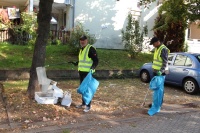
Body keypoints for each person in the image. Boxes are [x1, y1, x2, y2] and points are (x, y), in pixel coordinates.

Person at [75, 35, 99, 112]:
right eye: (81, 40)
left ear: (87, 40)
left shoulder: (91, 49)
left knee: (87, 89)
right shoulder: (82, 49)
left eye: (83, 40)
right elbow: (83, 60)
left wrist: (92, 68)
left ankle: (88, 106)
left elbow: (96, 60)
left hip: (88, 73)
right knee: (82, 88)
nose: (82, 41)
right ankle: (83, 103)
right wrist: (76, 63)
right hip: (81, 71)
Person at [148, 36, 170, 115]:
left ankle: (158, 106)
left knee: (159, 91)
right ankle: (155, 104)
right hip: (156, 73)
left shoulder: (163, 49)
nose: (153, 46)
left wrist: (161, 71)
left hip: (161, 73)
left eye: (153, 44)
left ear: (157, 42)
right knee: (156, 90)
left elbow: (165, 62)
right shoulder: (157, 48)